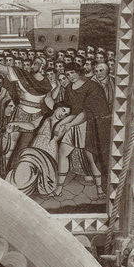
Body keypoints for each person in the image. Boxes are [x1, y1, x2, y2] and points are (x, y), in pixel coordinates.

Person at [58, 62, 111, 198]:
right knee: (62, 152)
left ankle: (100, 190)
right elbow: (71, 110)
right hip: (74, 123)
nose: (70, 76)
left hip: (90, 126)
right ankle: (58, 189)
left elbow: (87, 112)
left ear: (79, 72)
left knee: (91, 158)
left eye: (72, 73)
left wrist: (70, 124)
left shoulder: (92, 86)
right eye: (68, 74)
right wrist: (62, 122)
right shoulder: (69, 88)